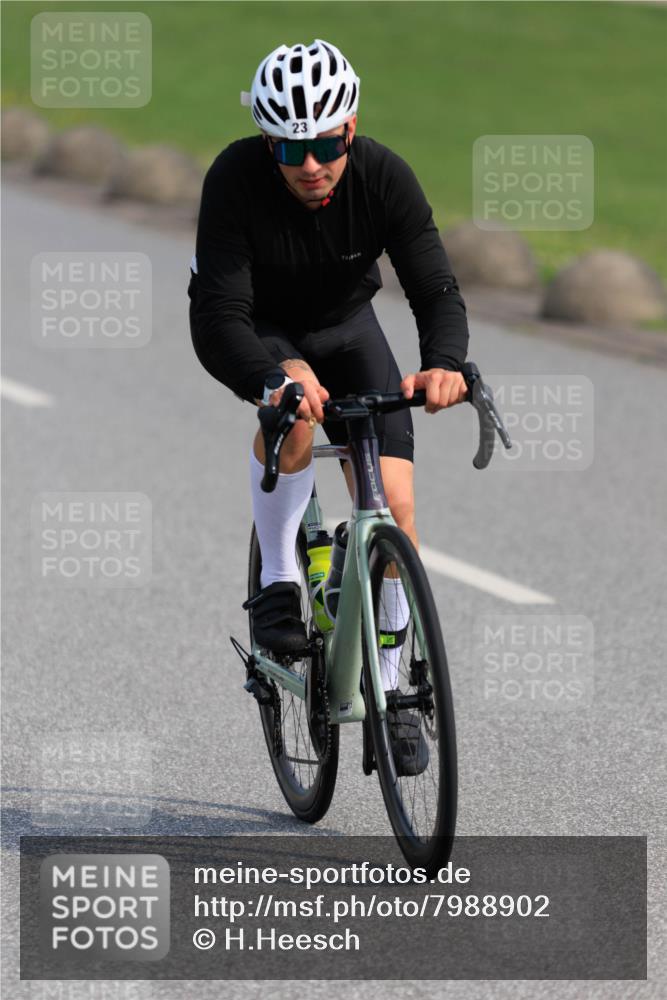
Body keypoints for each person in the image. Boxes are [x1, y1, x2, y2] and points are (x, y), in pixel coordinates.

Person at [189, 39, 469, 773]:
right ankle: (280, 579)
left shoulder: (383, 177)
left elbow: (433, 286)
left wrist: (441, 364)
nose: (309, 165)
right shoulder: (234, 181)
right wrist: (272, 381)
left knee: (396, 514)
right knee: (297, 413)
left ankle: (393, 692)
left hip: (350, 329)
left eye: (323, 144)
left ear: (349, 128)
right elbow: (218, 315)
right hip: (266, 332)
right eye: (289, 148)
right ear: (266, 141)